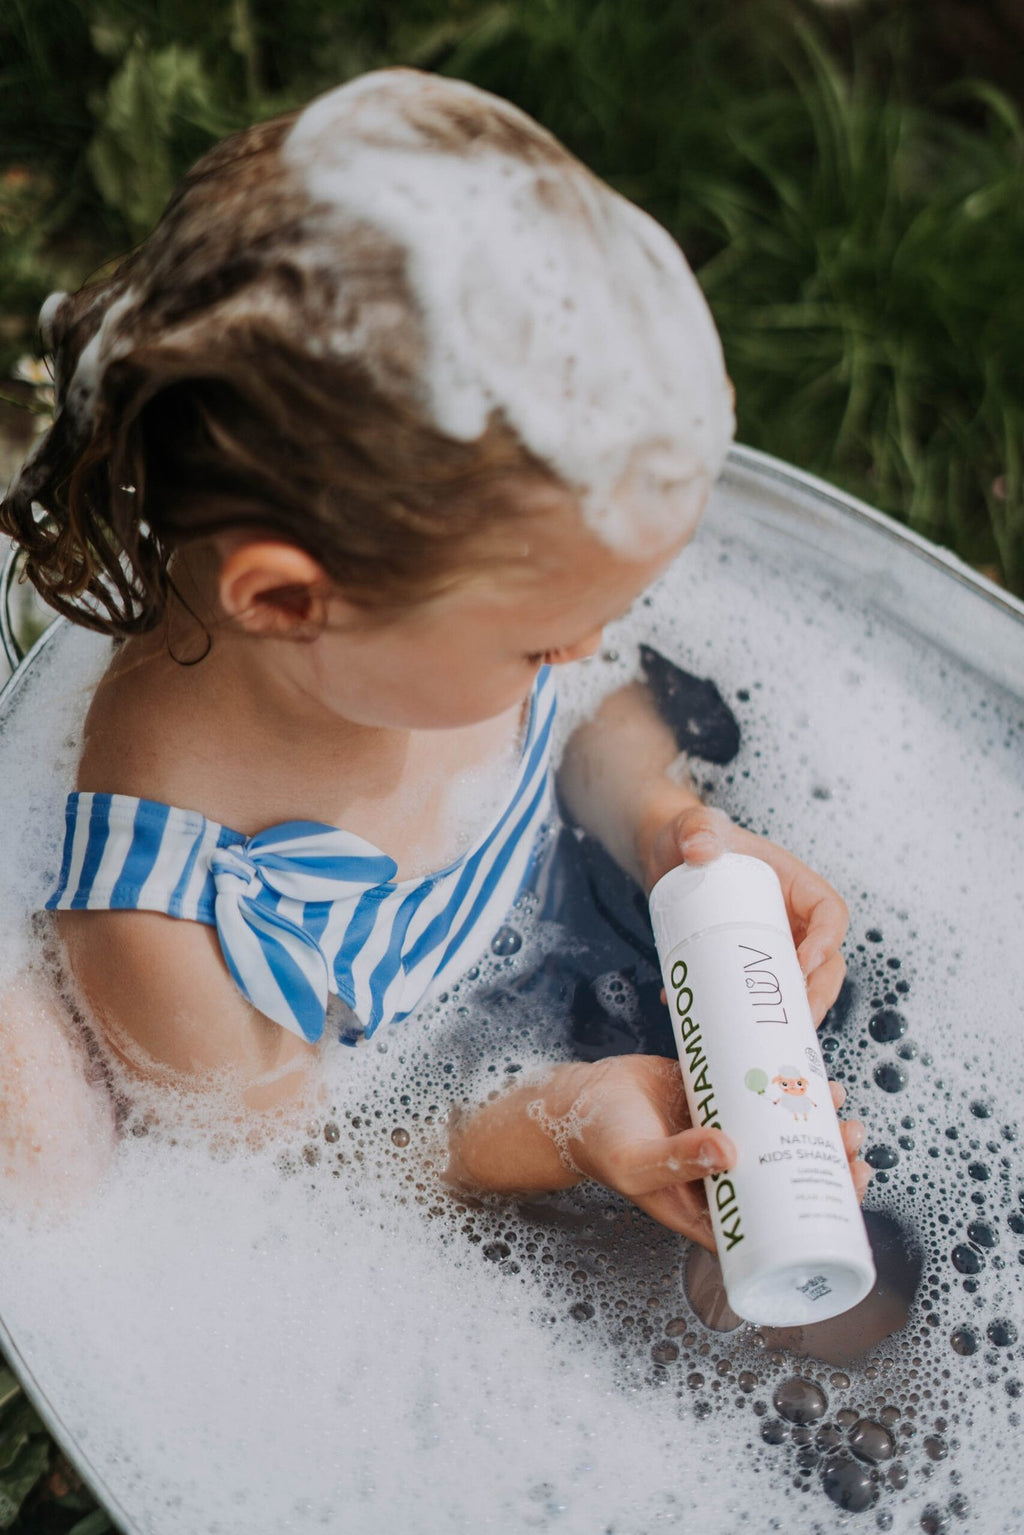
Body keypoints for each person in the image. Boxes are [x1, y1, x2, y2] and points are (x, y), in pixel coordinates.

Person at [0, 69, 868, 1236]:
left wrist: (665, 827)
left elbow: (573, 719)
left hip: (555, 946)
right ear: (290, 600)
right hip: (453, 1142)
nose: (586, 649)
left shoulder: (423, 630)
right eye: (542, 637)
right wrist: (560, 1121)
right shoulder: (165, 924)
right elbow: (307, 1162)